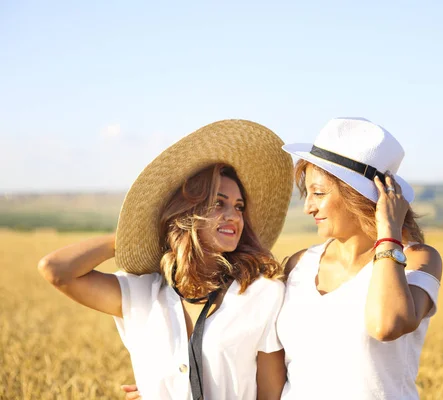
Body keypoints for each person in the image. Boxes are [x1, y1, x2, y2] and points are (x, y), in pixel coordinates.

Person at [38, 120, 294, 400]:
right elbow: (56, 270)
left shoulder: (261, 294)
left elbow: (271, 396)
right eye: (218, 203)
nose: (233, 216)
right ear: (186, 213)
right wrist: (133, 235)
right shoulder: (142, 293)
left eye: (239, 206)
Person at [276, 117, 443, 399]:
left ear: (356, 195)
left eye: (318, 193)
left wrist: (388, 231)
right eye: (307, 193)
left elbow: (386, 325)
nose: (308, 207)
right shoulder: (298, 265)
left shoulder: (416, 260)